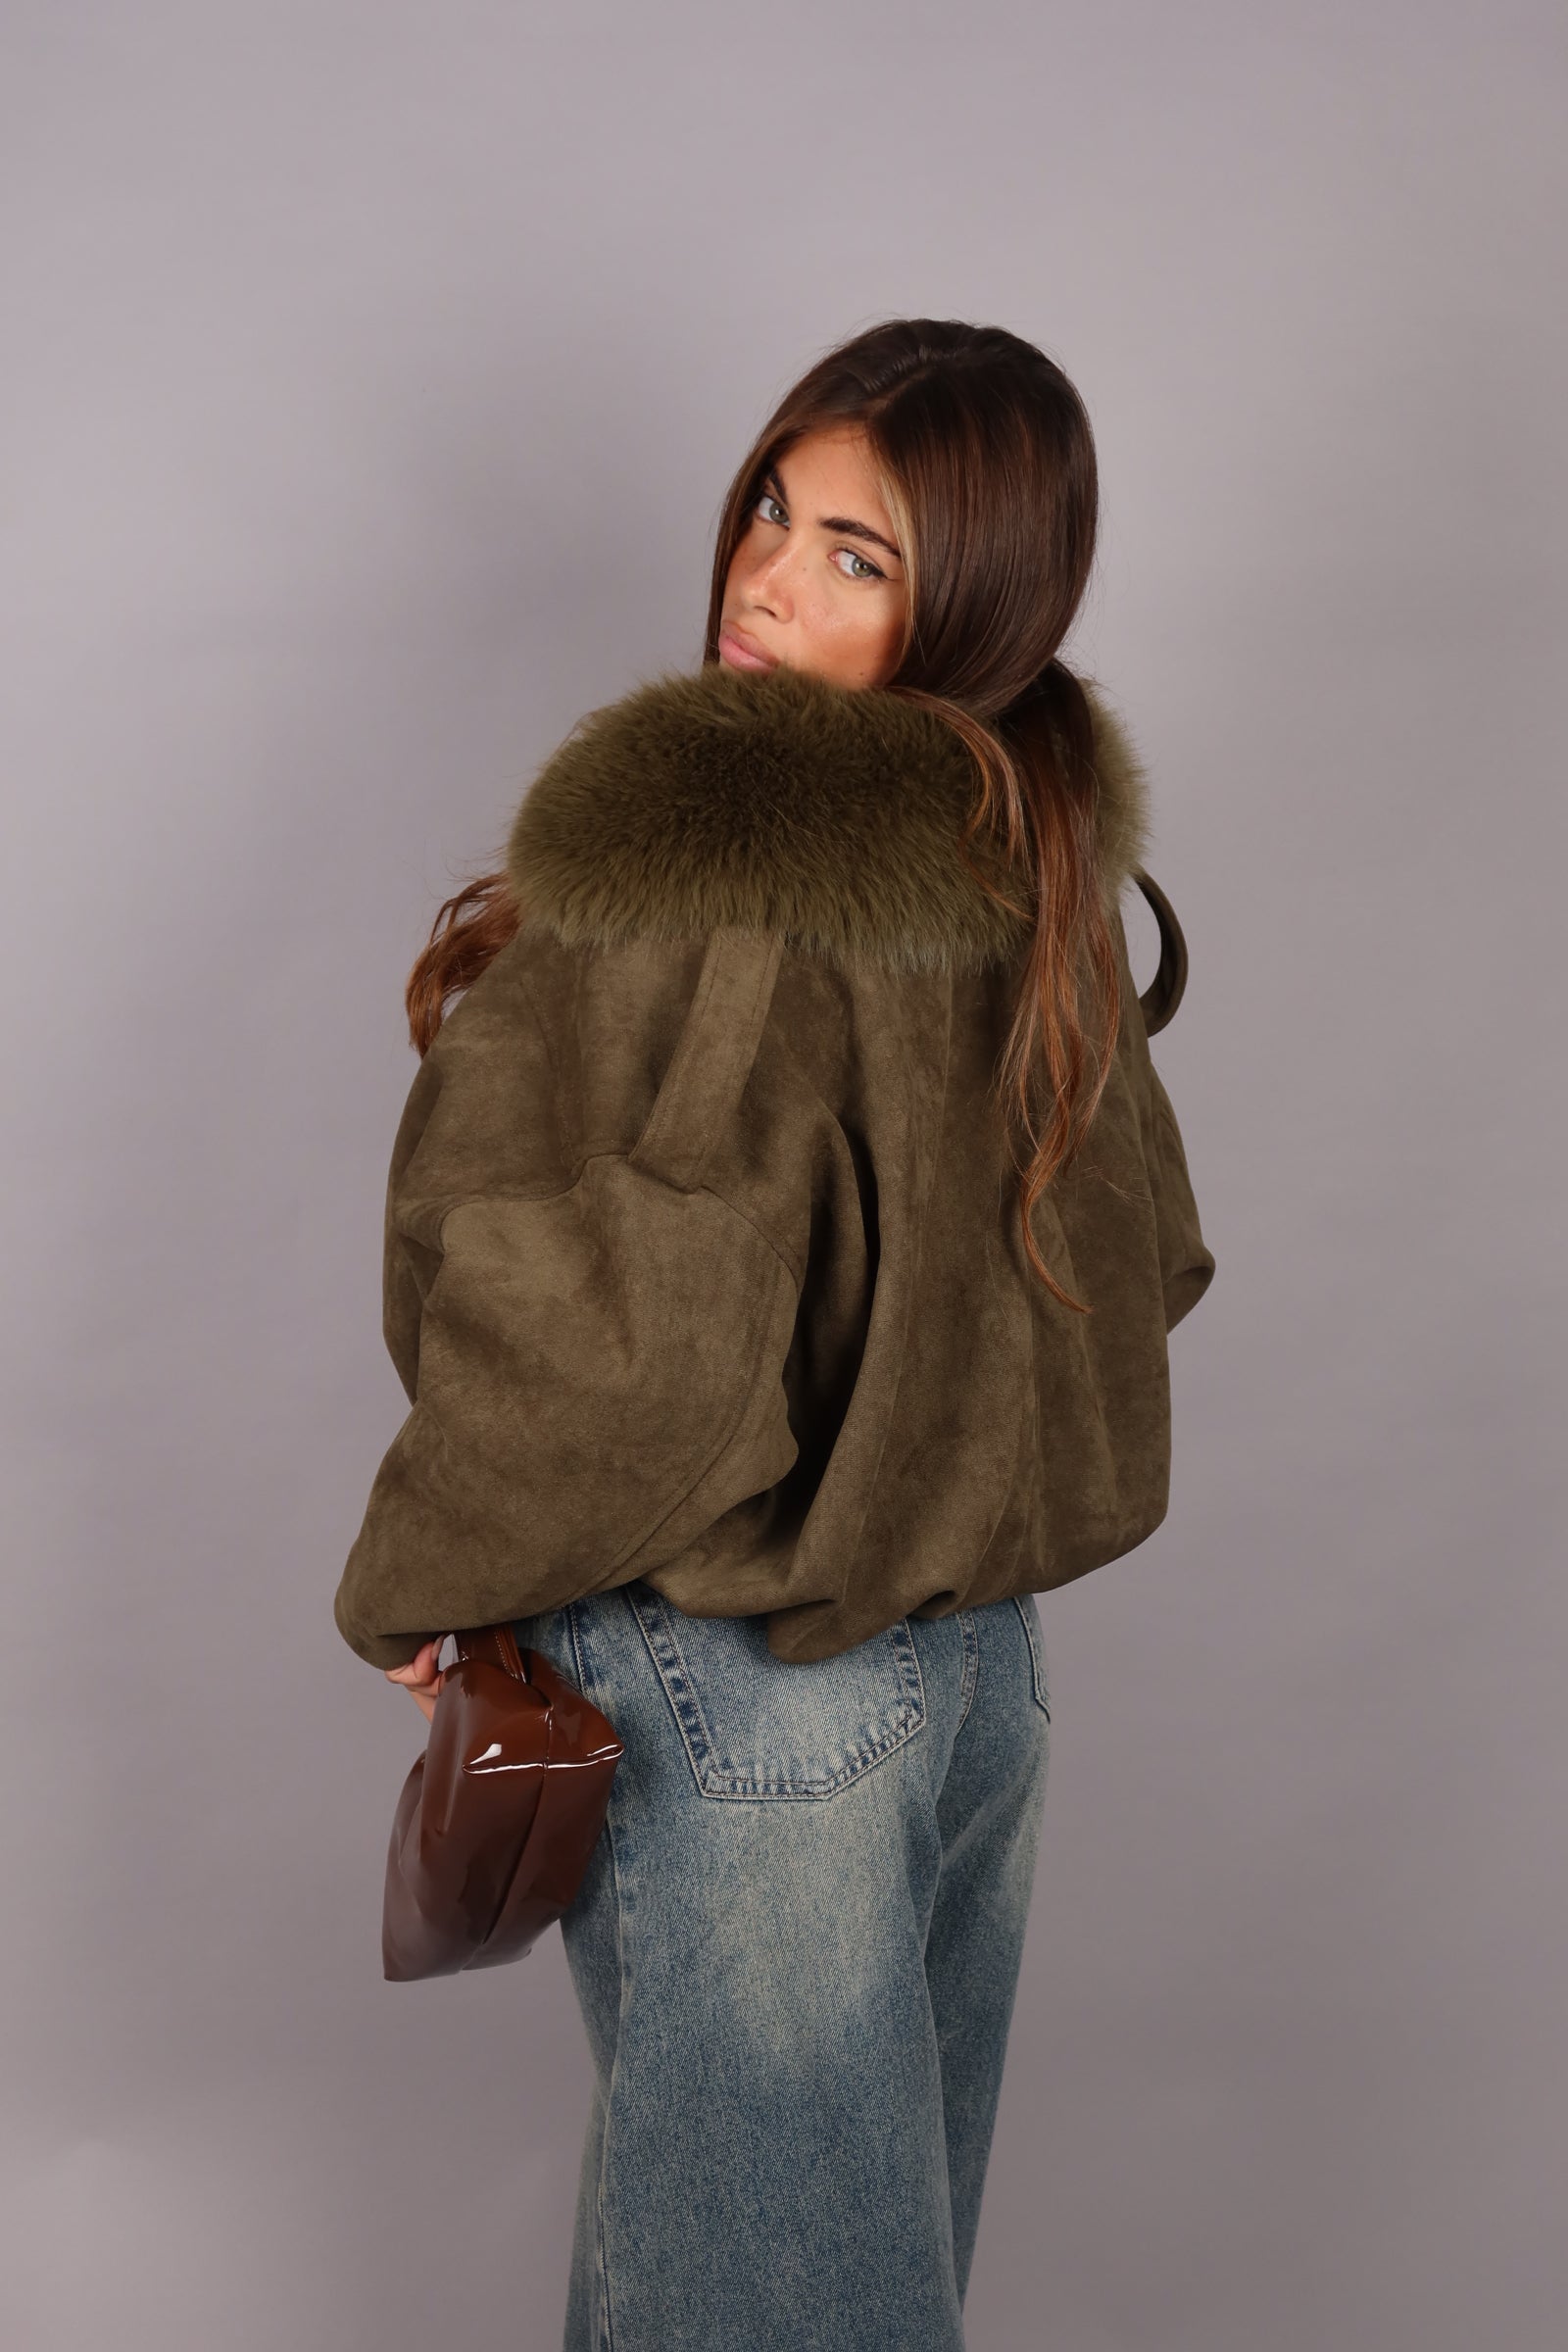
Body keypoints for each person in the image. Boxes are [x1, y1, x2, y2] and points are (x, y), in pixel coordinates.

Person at [335, 317, 1214, 2351]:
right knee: (795, 2300)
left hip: (749, 1683)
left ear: (968, 605)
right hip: (976, 1678)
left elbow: (638, 1339)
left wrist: (424, 1578)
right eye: (771, 506)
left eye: (856, 555)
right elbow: (1147, 1261)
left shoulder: (729, 861)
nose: (764, 579)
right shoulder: (1031, 862)